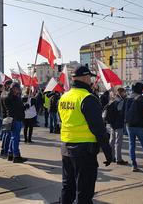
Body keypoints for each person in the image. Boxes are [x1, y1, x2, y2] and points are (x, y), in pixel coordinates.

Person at [58, 66, 112, 204]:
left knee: (67, 187)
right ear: (85, 78)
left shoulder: (64, 97)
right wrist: (107, 151)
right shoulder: (88, 98)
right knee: (84, 191)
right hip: (84, 151)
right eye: (90, 77)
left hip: (66, 148)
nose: (91, 80)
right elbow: (99, 128)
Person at [125, 82, 143, 172]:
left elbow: (124, 112)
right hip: (140, 125)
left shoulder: (128, 99)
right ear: (141, 89)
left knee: (131, 145)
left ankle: (134, 165)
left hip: (129, 125)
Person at [2, 82, 27, 163]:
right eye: (18, 88)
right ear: (14, 89)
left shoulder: (8, 96)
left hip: (12, 118)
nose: (19, 90)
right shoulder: (13, 97)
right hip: (16, 119)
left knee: (13, 138)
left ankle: (10, 154)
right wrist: (25, 106)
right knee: (15, 138)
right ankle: (16, 156)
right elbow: (18, 108)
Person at [104, 87, 128, 165]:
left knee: (112, 141)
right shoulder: (120, 101)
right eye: (124, 92)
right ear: (121, 93)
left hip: (112, 124)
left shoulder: (112, 101)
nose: (125, 94)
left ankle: (111, 157)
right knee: (118, 142)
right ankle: (119, 159)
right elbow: (120, 113)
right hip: (118, 124)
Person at [0, 80, 12, 156]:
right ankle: (5, 150)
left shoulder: (3, 93)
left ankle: (3, 149)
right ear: (7, 85)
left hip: (4, 115)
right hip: (7, 115)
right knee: (7, 134)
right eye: (10, 85)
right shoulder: (5, 94)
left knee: (5, 133)